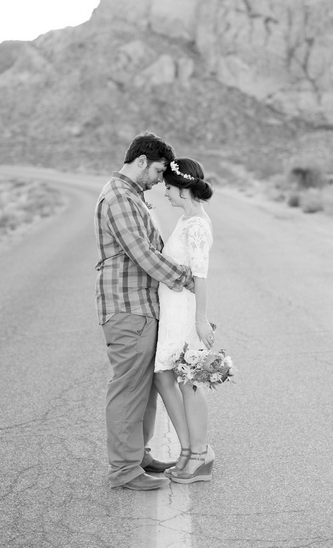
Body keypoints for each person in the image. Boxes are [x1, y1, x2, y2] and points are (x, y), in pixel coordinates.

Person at [94, 132, 194, 491]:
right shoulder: (120, 197)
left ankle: (138, 456)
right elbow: (143, 254)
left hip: (142, 305)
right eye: (157, 170)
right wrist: (186, 278)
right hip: (128, 307)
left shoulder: (132, 196)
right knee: (129, 388)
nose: (158, 179)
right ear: (140, 162)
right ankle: (124, 469)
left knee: (145, 388)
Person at [154, 157, 215, 484]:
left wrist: (201, 320)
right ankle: (191, 451)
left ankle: (199, 454)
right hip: (174, 308)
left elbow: (201, 275)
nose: (165, 193)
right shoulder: (186, 219)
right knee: (170, 377)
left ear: (181, 188)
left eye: (167, 187)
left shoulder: (196, 226)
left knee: (189, 380)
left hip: (185, 312)